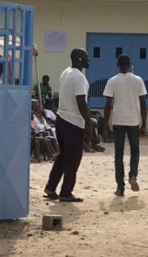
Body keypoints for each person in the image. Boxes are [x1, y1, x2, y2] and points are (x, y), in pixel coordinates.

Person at [44, 48, 93, 202]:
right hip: (73, 121)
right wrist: (88, 123)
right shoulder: (79, 77)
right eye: (86, 57)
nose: (88, 59)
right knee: (73, 158)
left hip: (61, 118)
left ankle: (51, 188)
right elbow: (81, 102)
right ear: (79, 59)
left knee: (63, 156)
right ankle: (66, 192)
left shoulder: (66, 72)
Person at [103, 54, 147, 197]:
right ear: (130, 65)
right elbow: (143, 103)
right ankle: (133, 175)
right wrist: (144, 123)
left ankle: (120, 187)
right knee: (135, 150)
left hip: (118, 120)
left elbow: (108, 104)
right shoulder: (138, 80)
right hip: (134, 120)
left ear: (118, 65)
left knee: (118, 155)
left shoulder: (112, 81)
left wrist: (105, 125)